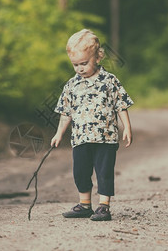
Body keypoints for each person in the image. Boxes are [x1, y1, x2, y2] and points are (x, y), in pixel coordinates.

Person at [51, 29, 134, 221]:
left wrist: (127, 127)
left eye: (84, 63)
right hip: (80, 138)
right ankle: (85, 205)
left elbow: (121, 105)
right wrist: (59, 133)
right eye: (75, 65)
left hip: (106, 138)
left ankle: (103, 207)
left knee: (104, 173)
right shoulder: (71, 85)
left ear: (97, 57)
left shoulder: (110, 81)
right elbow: (66, 112)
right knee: (80, 172)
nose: (79, 68)